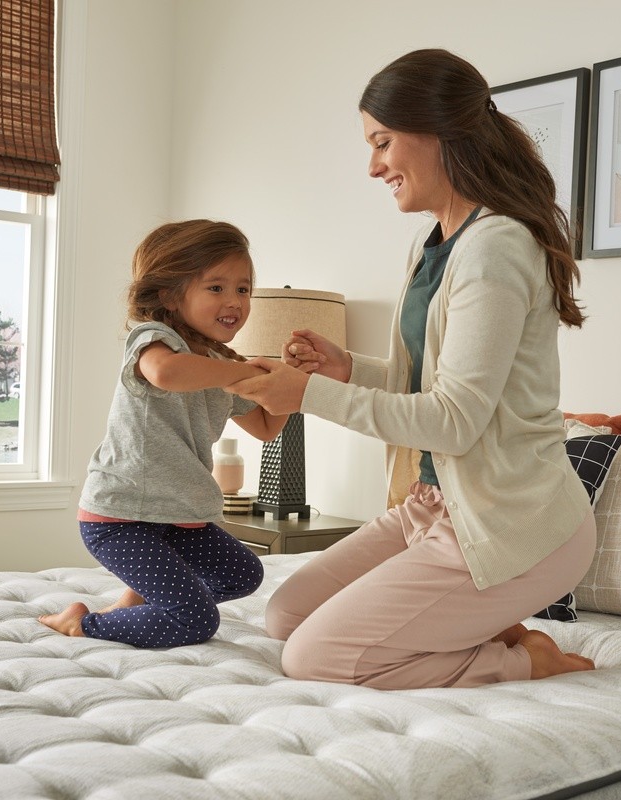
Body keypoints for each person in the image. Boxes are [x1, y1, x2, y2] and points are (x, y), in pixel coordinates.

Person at [227, 49, 596, 689]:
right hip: (433, 504)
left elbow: (452, 424)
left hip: (513, 524)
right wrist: (347, 369)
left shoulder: (497, 245)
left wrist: (309, 393)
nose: (374, 166)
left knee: (314, 657)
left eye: (383, 142)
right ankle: (489, 623)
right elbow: (431, 387)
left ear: (439, 132)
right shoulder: (435, 244)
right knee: (287, 615)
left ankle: (523, 657)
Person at [39, 220, 287, 648]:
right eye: (216, 288)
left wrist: (287, 383)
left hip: (177, 518)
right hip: (122, 516)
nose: (234, 302)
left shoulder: (221, 361)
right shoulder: (155, 339)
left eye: (243, 290)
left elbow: (266, 427)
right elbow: (167, 373)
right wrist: (243, 372)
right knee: (194, 621)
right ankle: (81, 624)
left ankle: (139, 605)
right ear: (170, 294)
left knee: (244, 574)